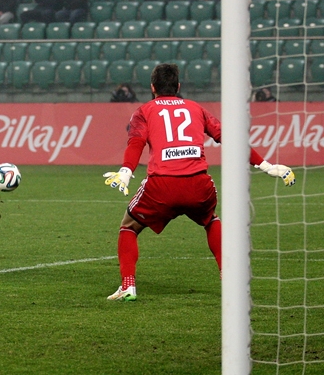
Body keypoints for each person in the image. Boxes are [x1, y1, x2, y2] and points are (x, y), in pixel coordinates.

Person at [103, 63, 296, 301]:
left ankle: (128, 285)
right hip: (198, 184)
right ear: (179, 87)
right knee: (211, 219)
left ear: (152, 87)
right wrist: (265, 165)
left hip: (162, 186)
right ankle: (229, 276)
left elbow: (136, 143)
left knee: (128, 227)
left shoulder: (144, 111)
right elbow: (230, 137)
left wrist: (125, 171)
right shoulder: (196, 108)